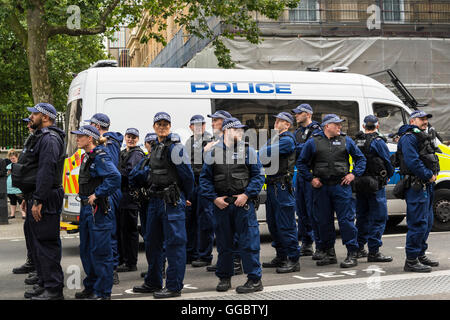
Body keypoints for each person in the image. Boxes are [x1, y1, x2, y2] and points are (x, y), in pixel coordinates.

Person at [200, 117, 265, 293]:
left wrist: (246, 194)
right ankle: (224, 278)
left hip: (242, 205)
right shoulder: (213, 152)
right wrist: (214, 199)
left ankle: (254, 280)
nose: (241, 132)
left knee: (249, 243)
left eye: (241, 130)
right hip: (222, 206)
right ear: (227, 131)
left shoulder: (248, 151)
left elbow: (258, 176)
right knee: (223, 244)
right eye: (237, 129)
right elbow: (205, 179)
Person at [297, 114, 366, 268]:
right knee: (323, 222)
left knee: (346, 221)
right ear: (327, 126)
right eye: (337, 125)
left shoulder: (346, 140)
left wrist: (353, 174)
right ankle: (329, 254)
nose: (340, 127)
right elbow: (301, 163)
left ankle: (352, 253)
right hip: (321, 188)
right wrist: (311, 178)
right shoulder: (313, 142)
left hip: (341, 187)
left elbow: (361, 159)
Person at [12, 103, 66, 300]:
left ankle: (53, 289)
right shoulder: (42, 137)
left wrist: (39, 199)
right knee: (38, 245)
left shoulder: (50, 139)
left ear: (45, 117)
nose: (31, 117)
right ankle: (44, 284)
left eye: (34, 113)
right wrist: (30, 196)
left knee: (46, 244)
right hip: (38, 194)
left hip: (47, 197)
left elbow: (46, 170)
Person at [143, 112, 195, 299]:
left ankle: (173, 286)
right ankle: (153, 281)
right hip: (155, 201)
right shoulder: (156, 146)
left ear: (170, 126)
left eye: (166, 124)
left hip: (171, 201)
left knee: (174, 245)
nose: (162, 126)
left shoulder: (176, 147)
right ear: (154, 126)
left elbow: (188, 176)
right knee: (152, 243)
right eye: (159, 124)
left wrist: (185, 196)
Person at [71, 125, 121, 300]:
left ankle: (102, 292)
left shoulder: (100, 156)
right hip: (86, 209)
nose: (77, 139)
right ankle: (91, 287)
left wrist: (98, 193)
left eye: (80, 136)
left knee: (100, 252)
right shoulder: (87, 156)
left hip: (97, 209)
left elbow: (115, 177)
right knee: (86, 250)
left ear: (90, 138)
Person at [396, 110, 440, 272]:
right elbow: (412, 161)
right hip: (417, 185)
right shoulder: (409, 137)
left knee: (427, 222)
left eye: (426, 119)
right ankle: (411, 260)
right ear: (412, 121)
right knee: (418, 222)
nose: (425, 121)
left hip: (426, 185)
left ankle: (420, 254)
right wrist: (428, 175)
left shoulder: (423, 136)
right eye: (421, 119)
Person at [260, 112, 301, 273]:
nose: (276, 123)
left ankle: (293, 259)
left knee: (286, 224)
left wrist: (266, 149)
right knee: (273, 224)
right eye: (276, 120)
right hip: (272, 186)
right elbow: (263, 156)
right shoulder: (274, 140)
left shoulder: (288, 140)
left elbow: (264, 153)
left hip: (282, 187)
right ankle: (281, 256)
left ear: (288, 125)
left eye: (280, 121)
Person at [85, 113, 123, 284]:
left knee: (109, 232)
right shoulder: (106, 142)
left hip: (108, 192)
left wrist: (100, 192)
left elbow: (111, 171)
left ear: (97, 127)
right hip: (106, 190)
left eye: (91, 125)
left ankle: (111, 270)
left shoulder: (108, 143)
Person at [203, 110, 242, 275]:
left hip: (235, 196)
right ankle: (225, 261)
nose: (212, 124)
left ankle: (236, 262)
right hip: (218, 194)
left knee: (237, 232)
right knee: (221, 231)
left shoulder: (236, 144)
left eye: (216, 120)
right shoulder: (215, 143)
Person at [354, 115, 394, 262]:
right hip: (375, 184)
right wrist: (388, 175)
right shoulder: (378, 142)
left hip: (359, 183)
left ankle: (359, 248)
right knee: (378, 217)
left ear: (364, 126)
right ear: (377, 126)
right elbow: (387, 161)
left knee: (362, 216)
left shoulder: (357, 141)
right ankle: (374, 252)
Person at [291, 103, 324, 260]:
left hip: (312, 174)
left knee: (314, 211)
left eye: (299, 113)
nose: (296, 116)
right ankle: (306, 243)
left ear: (308, 114)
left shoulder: (316, 130)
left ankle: (320, 245)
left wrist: (297, 147)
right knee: (301, 210)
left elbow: (308, 149)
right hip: (301, 175)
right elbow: (298, 149)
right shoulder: (298, 132)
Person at [185, 115, 215, 268]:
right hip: (192, 185)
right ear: (190, 127)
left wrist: (204, 151)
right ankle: (191, 253)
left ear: (204, 126)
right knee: (189, 220)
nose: (198, 127)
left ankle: (204, 255)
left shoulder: (210, 140)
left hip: (204, 184)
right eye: (195, 125)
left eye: (201, 124)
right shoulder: (189, 141)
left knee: (205, 221)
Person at [117, 128, 145, 272]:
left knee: (130, 231)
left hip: (130, 197)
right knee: (123, 230)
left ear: (137, 139)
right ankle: (124, 260)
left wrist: (116, 173)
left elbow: (130, 173)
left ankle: (130, 263)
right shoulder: (124, 152)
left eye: (134, 137)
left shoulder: (136, 154)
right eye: (128, 136)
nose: (131, 139)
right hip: (123, 197)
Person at [12, 118, 36, 279]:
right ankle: (32, 262)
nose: (28, 125)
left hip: (36, 194)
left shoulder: (44, 140)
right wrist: (24, 198)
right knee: (29, 231)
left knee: (38, 235)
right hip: (28, 194)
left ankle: (38, 267)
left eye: (30, 122)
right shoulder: (32, 140)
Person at [6, 149, 25, 219]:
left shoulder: (20, 165)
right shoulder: (9, 166)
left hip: (18, 186)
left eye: (13, 158)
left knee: (20, 200)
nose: (12, 160)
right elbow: (6, 175)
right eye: (11, 159)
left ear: (17, 157)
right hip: (10, 186)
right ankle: (12, 214)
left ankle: (23, 214)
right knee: (12, 200)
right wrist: (8, 172)